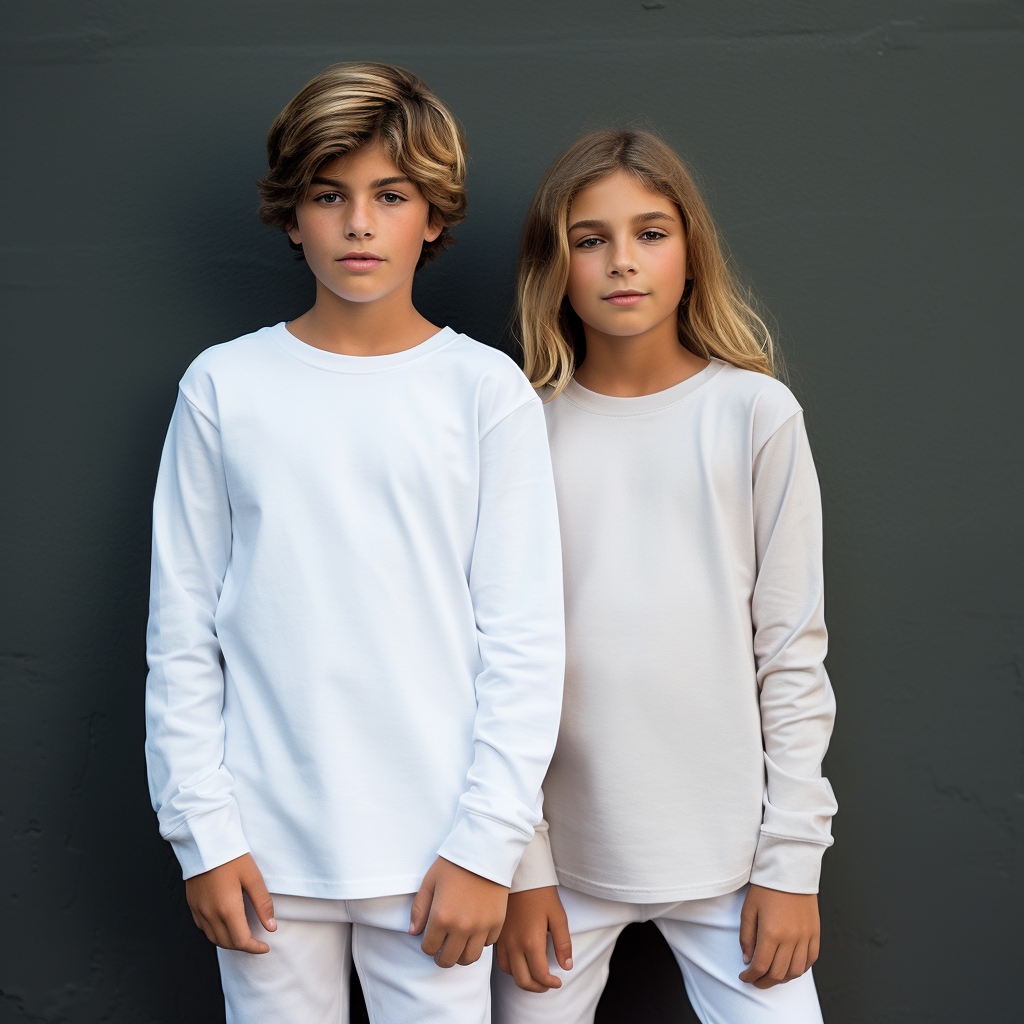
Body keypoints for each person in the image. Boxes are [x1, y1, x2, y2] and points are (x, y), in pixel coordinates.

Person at [144, 62, 564, 1024]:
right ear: (294, 218)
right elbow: (181, 634)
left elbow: (526, 642)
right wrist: (202, 837)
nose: (360, 223)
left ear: (433, 217)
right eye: (330, 197)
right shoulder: (224, 387)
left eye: (390, 195)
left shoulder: (483, 391)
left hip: (439, 863)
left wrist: (484, 847)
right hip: (262, 861)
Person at [492, 129, 838, 1023]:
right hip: (559, 868)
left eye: (650, 233)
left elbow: (792, 654)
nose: (622, 263)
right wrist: (522, 866)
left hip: (732, 858)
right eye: (589, 238)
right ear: (555, 262)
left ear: (691, 251)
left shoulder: (754, 414)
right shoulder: (519, 428)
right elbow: (492, 659)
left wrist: (791, 866)